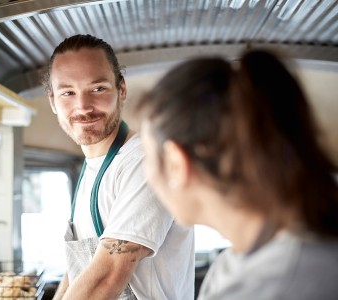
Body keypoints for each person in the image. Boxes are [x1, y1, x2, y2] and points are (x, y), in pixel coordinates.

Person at [135, 49, 338, 300]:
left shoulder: (277, 286)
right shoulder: (235, 263)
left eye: (146, 154)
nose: (147, 172)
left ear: (176, 162)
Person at [42, 34, 195, 300]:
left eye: (98, 88)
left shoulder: (145, 161)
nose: (82, 106)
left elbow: (108, 274)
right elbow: (80, 271)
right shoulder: (90, 170)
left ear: (121, 90)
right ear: (53, 102)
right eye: (68, 93)